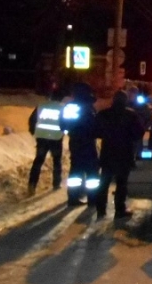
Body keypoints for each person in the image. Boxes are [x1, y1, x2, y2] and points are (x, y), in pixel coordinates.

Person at [95, 90, 145, 221]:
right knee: (121, 183)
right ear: (125, 101)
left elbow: (96, 131)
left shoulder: (104, 114)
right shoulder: (131, 115)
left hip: (108, 152)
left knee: (104, 182)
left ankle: (100, 209)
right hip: (124, 153)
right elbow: (138, 133)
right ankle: (119, 210)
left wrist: (107, 135)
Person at [60, 82, 101, 207]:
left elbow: (63, 124)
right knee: (92, 172)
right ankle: (93, 199)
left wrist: (70, 132)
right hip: (88, 143)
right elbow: (94, 126)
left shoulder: (69, 107)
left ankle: (73, 198)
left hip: (75, 142)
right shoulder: (88, 108)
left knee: (76, 170)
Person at [27, 87, 66, 195]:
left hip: (42, 138)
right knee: (56, 161)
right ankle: (56, 183)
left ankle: (32, 185)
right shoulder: (62, 108)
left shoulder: (41, 106)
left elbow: (32, 120)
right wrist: (64, 132)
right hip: (56, 138)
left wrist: (33, 131)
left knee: (38, 161)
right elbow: (65, 123)